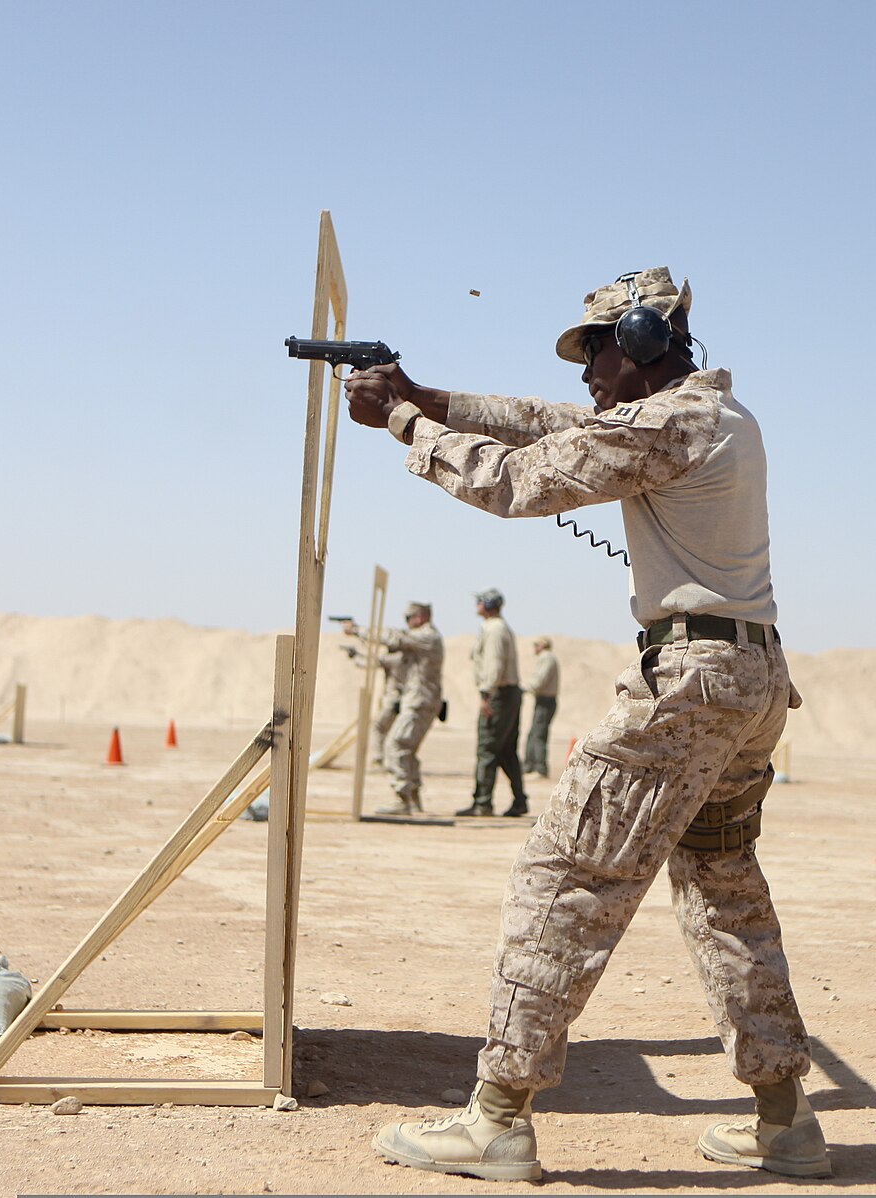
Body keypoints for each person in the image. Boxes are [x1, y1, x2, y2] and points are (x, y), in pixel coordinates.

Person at [343, 267, 826, 1182]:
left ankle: (498, 1116)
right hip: (748, 677)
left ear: (643, 340)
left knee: (566, 877)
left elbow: (517, 480)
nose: (584, 373)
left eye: (594, 351)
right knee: (723, 891)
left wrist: (402, 426)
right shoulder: (713, 416)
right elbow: (547, 422)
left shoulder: (670, 422)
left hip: (687, 684)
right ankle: (784, 1120)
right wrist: (427, 393)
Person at [343, 602, 444, 815]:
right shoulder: (421, 641)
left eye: (410, 618)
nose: (407, 623)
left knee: (396, 744)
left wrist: (359, 630)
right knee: (405, 749)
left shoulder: (427, 636)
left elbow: (394, 639)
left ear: (422, 617)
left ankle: (403, 798)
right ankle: (412, 799)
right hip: (418, 700)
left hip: (420, 701)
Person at [462, 589, 528, 818]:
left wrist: (486, 694)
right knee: (506, 751)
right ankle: (519, 801)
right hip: (507, 693)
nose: (477, 604)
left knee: (488, 748)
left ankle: (483, 802)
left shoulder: (494, 630)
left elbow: (494, 664)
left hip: (499, 693)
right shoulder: (497, 628)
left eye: (480, 601)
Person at [522, 636, 560, 778]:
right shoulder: (547, 658)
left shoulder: (547, 658)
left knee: (538, 734)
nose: (534, 648)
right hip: (543, 700)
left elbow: (540, 680)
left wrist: (525, 688)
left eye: (536, 644)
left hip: (546, 701)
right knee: (534, 733)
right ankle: (529, 766)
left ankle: (539, 768)